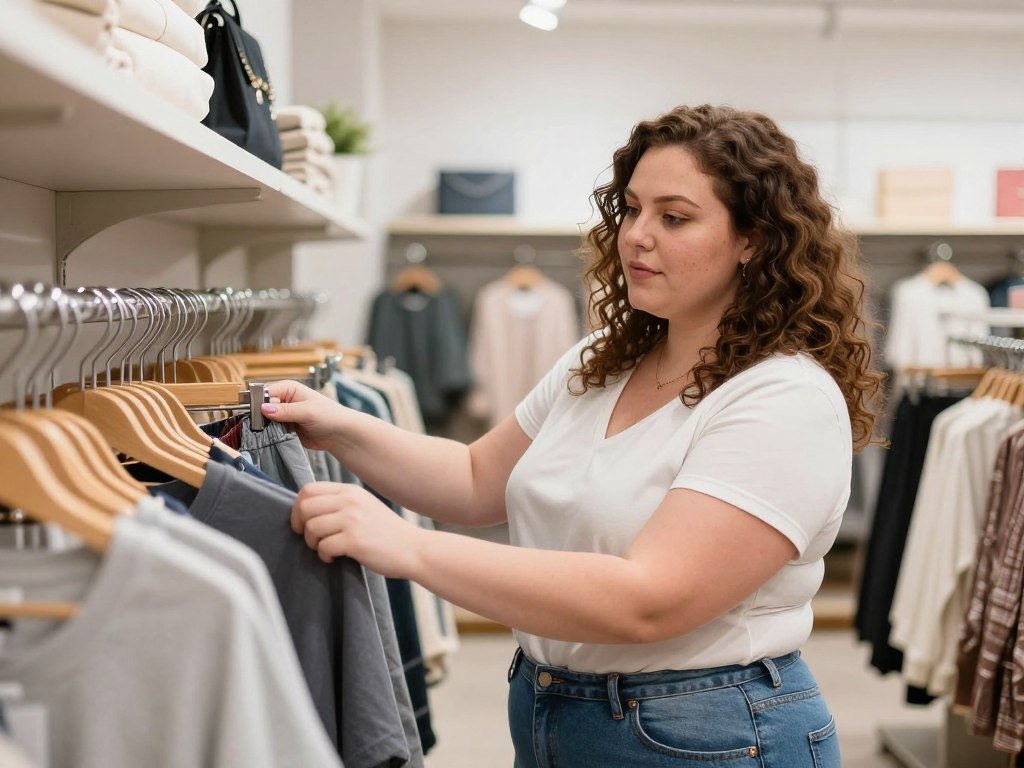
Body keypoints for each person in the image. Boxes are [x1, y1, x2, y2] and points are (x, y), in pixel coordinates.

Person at [261, 104, 883, 767]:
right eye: (632, 209)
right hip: (553, 707)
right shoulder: (603, 362)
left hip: (709, 731)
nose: (637, 236)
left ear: (753, 239)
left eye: (674, 218)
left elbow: (649, 600)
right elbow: (475, 480)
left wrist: (409, 549)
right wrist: (337, 425)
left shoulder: (782, 397)